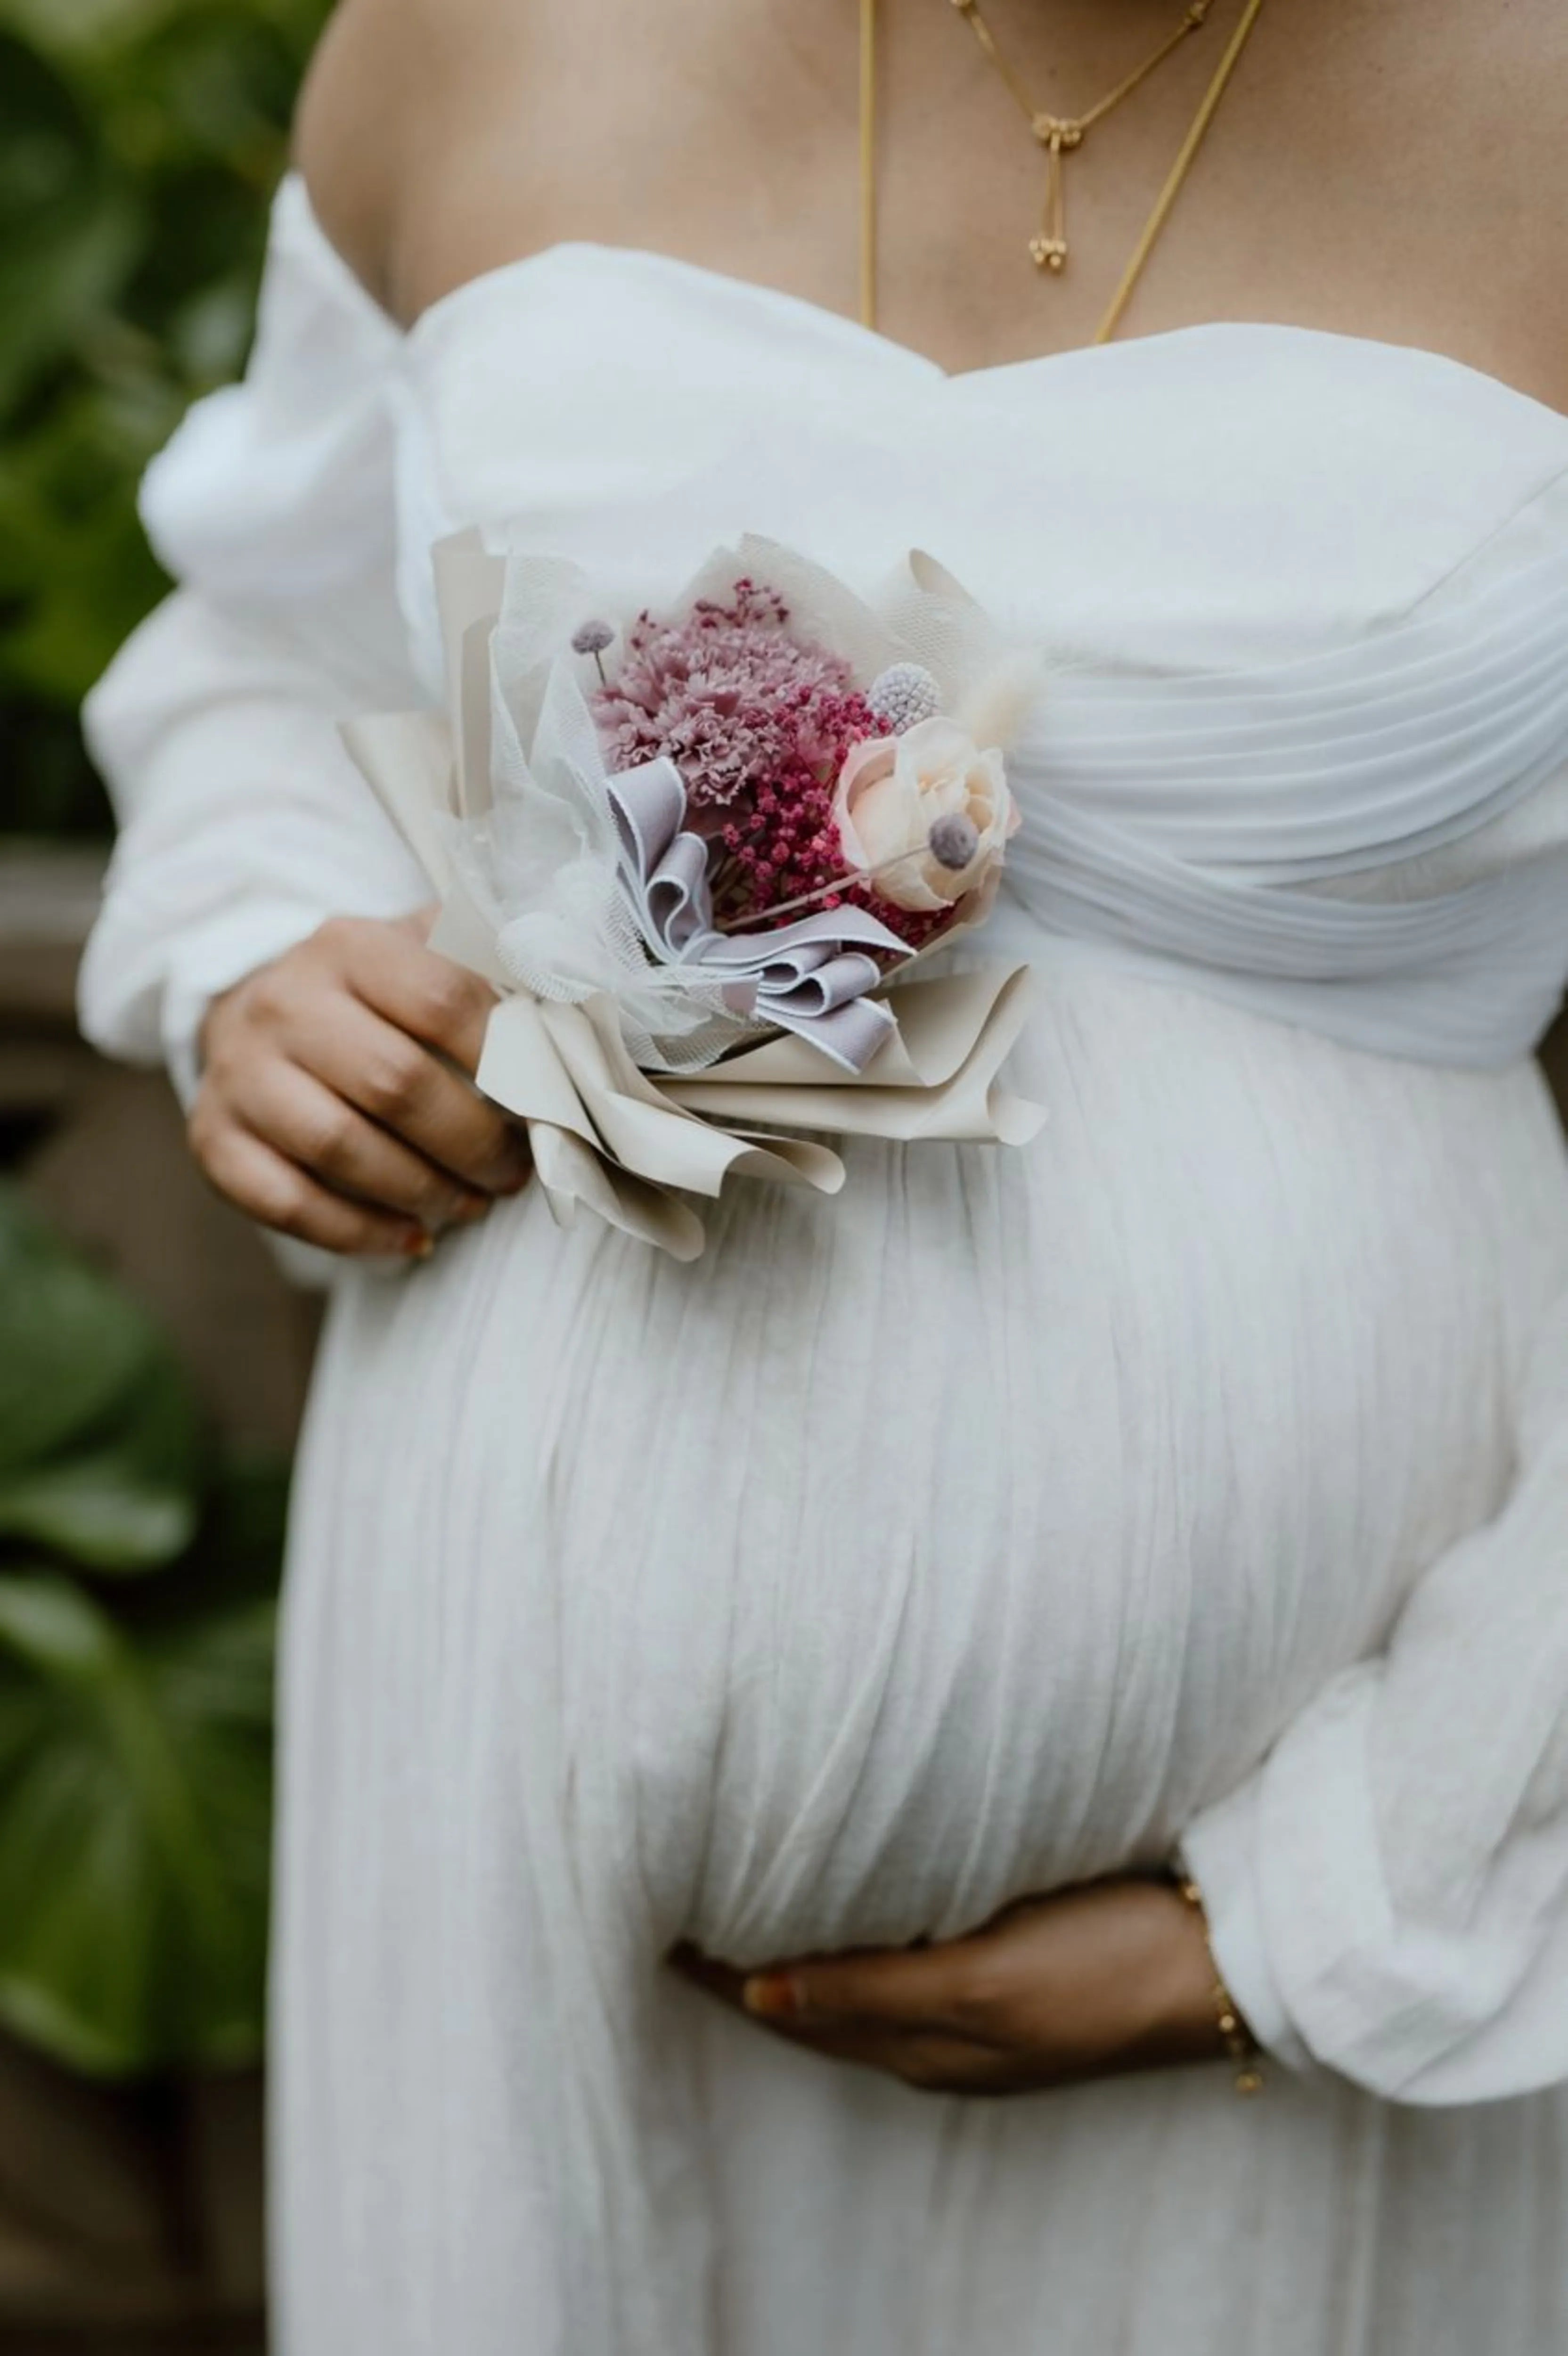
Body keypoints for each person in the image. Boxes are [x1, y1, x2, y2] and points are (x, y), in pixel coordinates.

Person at [78, 0, 1568, 2348]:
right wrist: (265, 947)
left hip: (1336, 1905)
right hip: (514, 1835)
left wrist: (1351, 1911)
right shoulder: (471, 34)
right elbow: (276, 635)